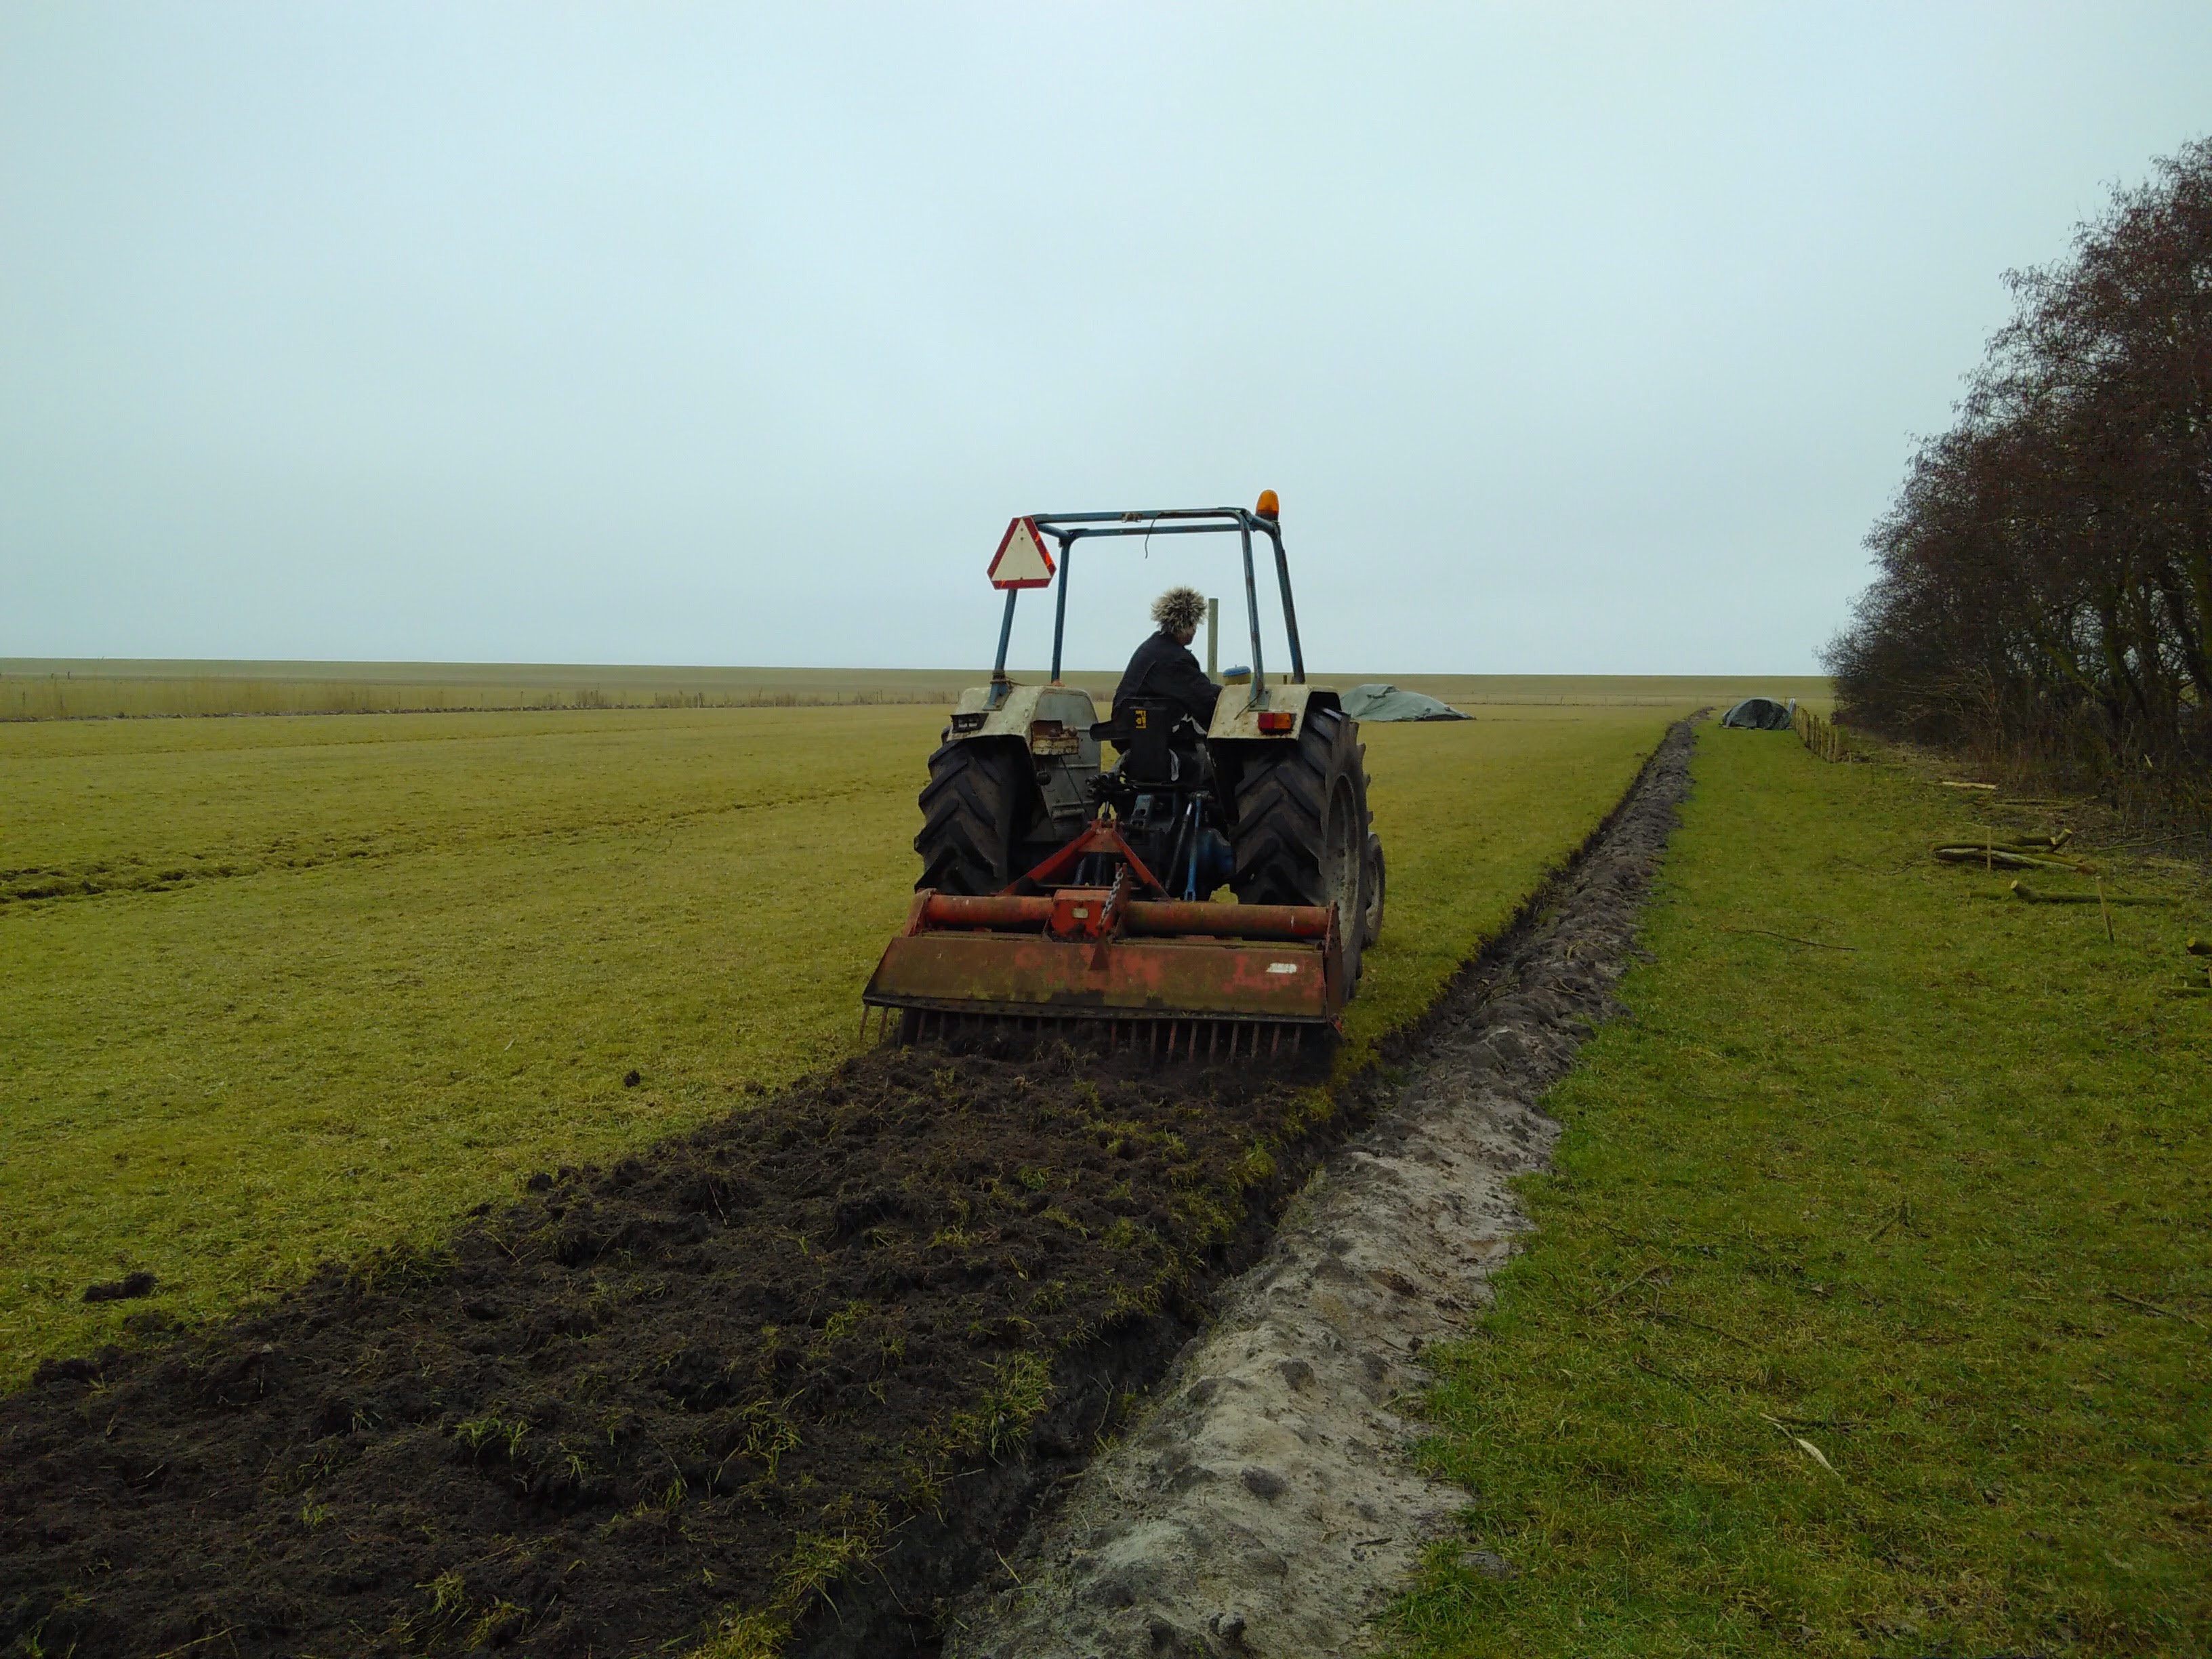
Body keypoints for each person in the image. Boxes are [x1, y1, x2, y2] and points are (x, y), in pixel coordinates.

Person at [1112, 586, 1220, 729]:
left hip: (1129, 724)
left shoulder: (1154, 648)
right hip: (1146, 731)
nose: (1195, 630)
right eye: (1194, 624)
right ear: (1186, 624)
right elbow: (1203, 699)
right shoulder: (1175, 659)